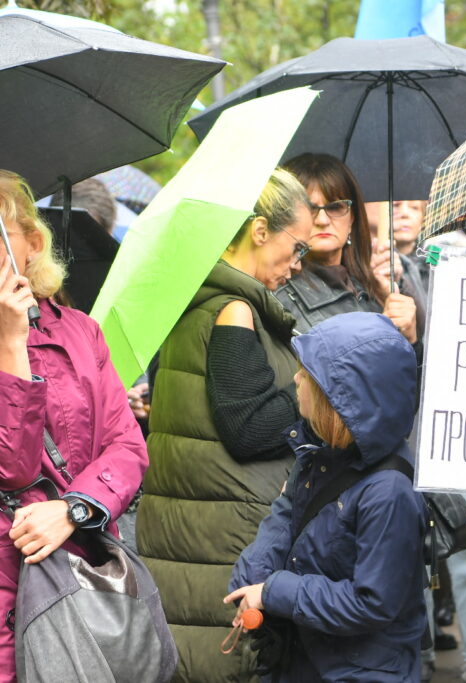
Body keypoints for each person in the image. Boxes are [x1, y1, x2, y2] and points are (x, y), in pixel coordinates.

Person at [137, 168, 314, 681]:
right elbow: (250, 428)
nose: (298, 265)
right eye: (296, 246)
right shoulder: (234, 309)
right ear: (260, 231)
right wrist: (312, 387)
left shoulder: (195, 298)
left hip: (197, 535)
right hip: (225, 542)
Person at [0, 170, 148, 682]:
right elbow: (13, 468)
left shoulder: (80, 331)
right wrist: (11, 346)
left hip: (79, 574)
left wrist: (74, 508)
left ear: (33, 243)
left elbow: (126, 446)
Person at [227, 312, 427, 682]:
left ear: (342, 398)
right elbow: (285, 518)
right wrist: (253, 578)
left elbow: (372, 603)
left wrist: (274, 593)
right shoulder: (318, 451)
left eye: (308, 375)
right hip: (303, 657)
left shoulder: (389, 491)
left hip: (359, 671)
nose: (295, 379)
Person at [275, 154, 422, 341]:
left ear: (352, 217)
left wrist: (408, 337)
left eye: (336, 207)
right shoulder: (279, 299)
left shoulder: (372, 287)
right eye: (309, 209)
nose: (322, 220)